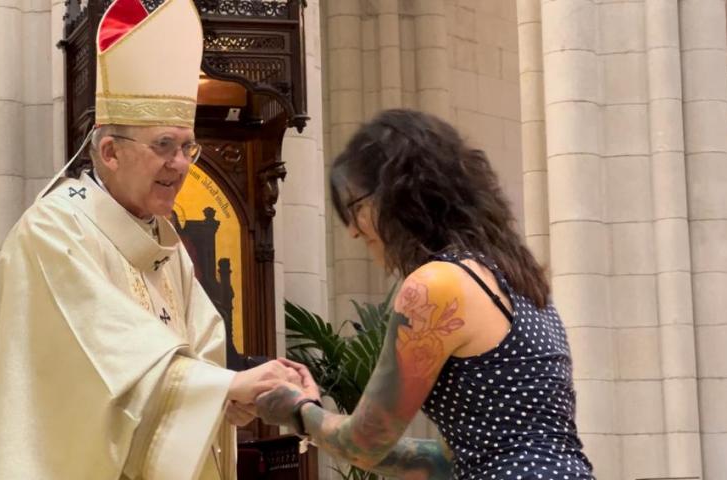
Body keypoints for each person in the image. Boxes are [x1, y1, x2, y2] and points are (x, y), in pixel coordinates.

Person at [0, 0, 297, 478]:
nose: (180, 164)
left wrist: (231, 395)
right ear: (109, 151)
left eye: (187, 147)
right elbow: (104, 367)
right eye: (164, 146)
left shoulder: (168, 252)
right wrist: (223, 388)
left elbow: (202, 357)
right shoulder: (54, 232)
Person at [255, 109, 595, 479]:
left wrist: (300, 411)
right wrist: (316, 417)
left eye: (355, 208)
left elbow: (365, 443)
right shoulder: (517, 279)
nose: (353, 231)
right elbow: (442, 460)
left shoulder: (437, 285)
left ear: (399, 194)